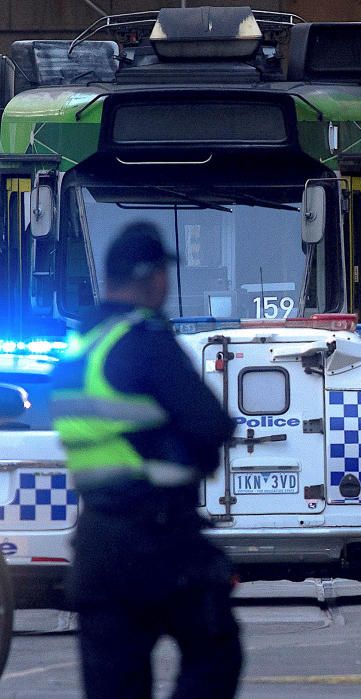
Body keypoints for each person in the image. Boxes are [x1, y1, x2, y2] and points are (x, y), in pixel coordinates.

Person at [49, 223, 242, 698]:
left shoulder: (78, 350)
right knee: (215, 651)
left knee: (114, 687)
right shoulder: (143, 337)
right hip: (161, 542)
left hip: (97, 547)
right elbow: (211, 424)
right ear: (154, 277)